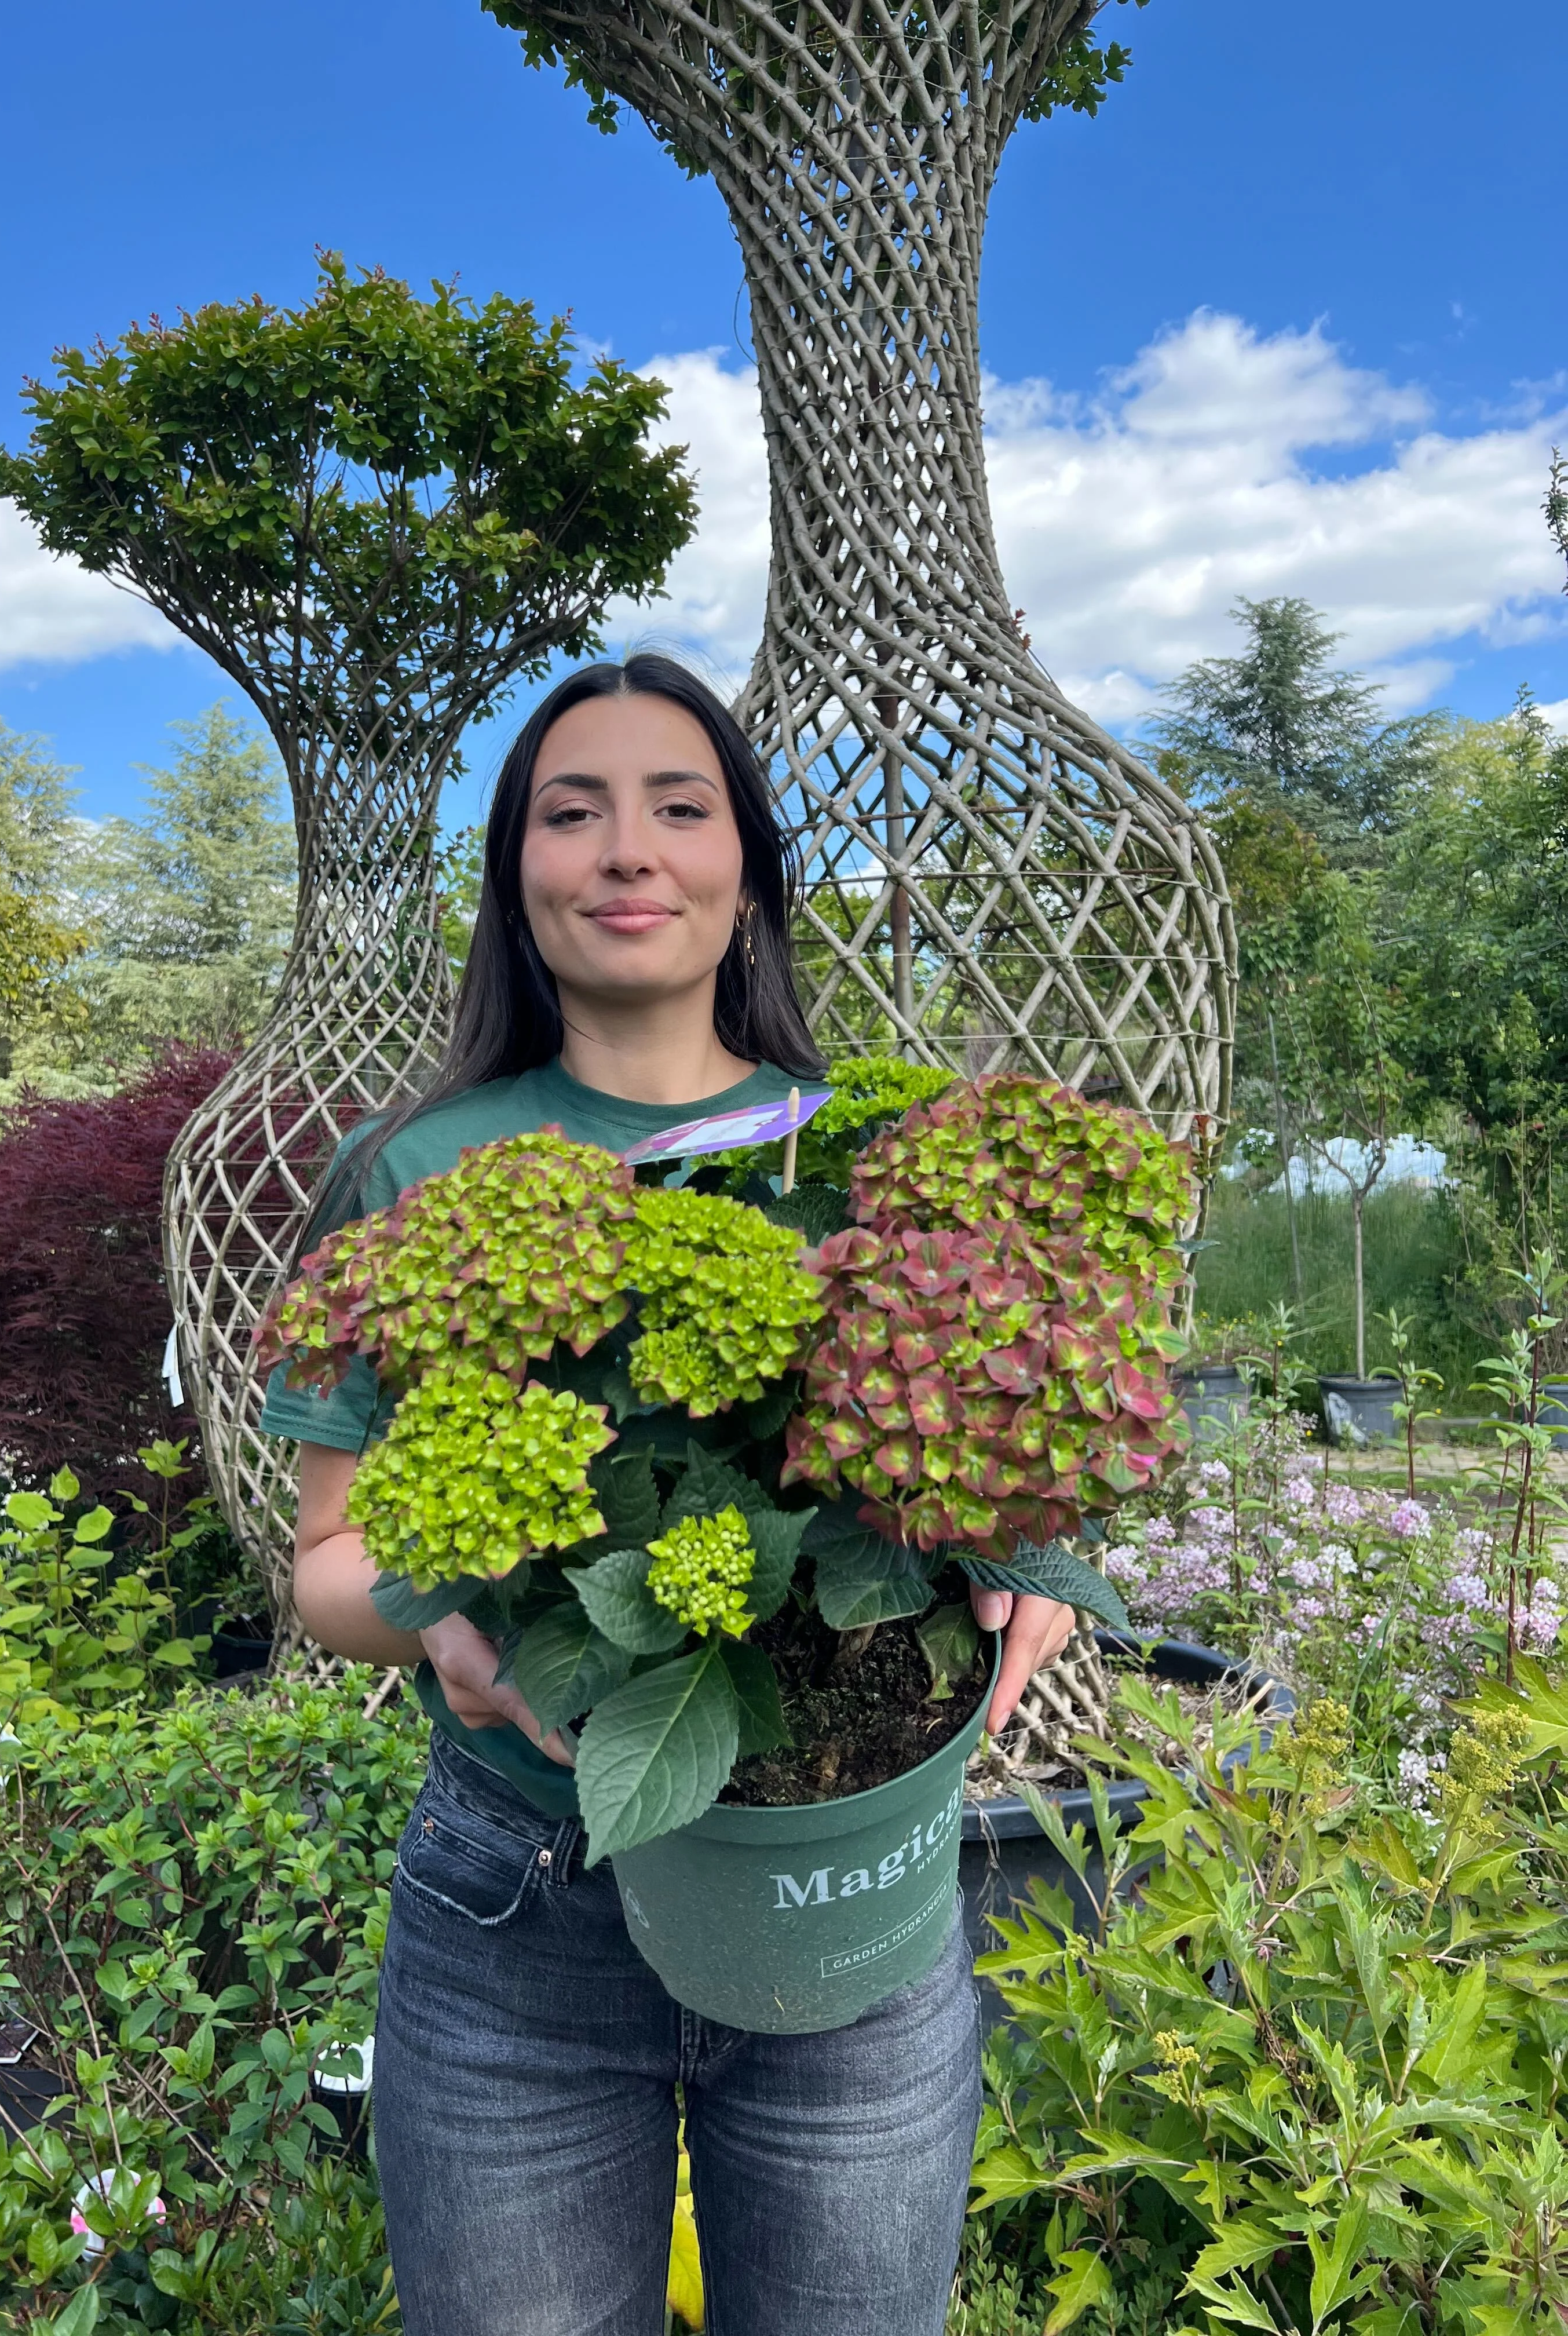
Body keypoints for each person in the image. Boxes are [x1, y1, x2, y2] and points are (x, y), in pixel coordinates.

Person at [261, 653, 1076, 2336]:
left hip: (847, 1897)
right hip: (521, 1913)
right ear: (516, 877)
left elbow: (995, 1445)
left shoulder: (866, 1157)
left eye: (678, 807)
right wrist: (446, 1625)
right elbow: (329, 1569)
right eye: (573, 812)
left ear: (750, 873)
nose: (627, 851)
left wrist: (1031, 1561)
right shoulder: (416, 1170)